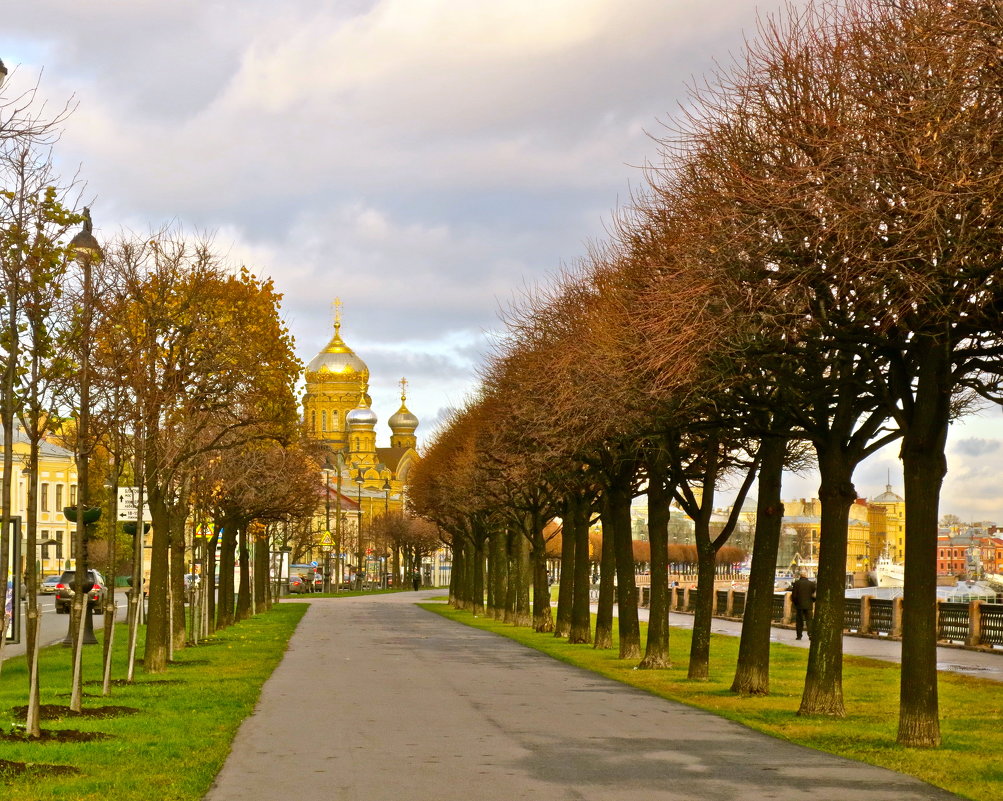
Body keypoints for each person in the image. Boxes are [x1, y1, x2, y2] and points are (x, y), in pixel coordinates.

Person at [790, 571, 816, 640]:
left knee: (799, 621)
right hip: (809, 606)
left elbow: (794, 596)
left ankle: (799, 636)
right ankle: (810, 635)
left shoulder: (796, 583)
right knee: (809, 621)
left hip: (799, 605)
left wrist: (796, 603)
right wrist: (812, 601)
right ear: (806, 576)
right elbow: (814, 595)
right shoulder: (811, 584)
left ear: (800, 576)